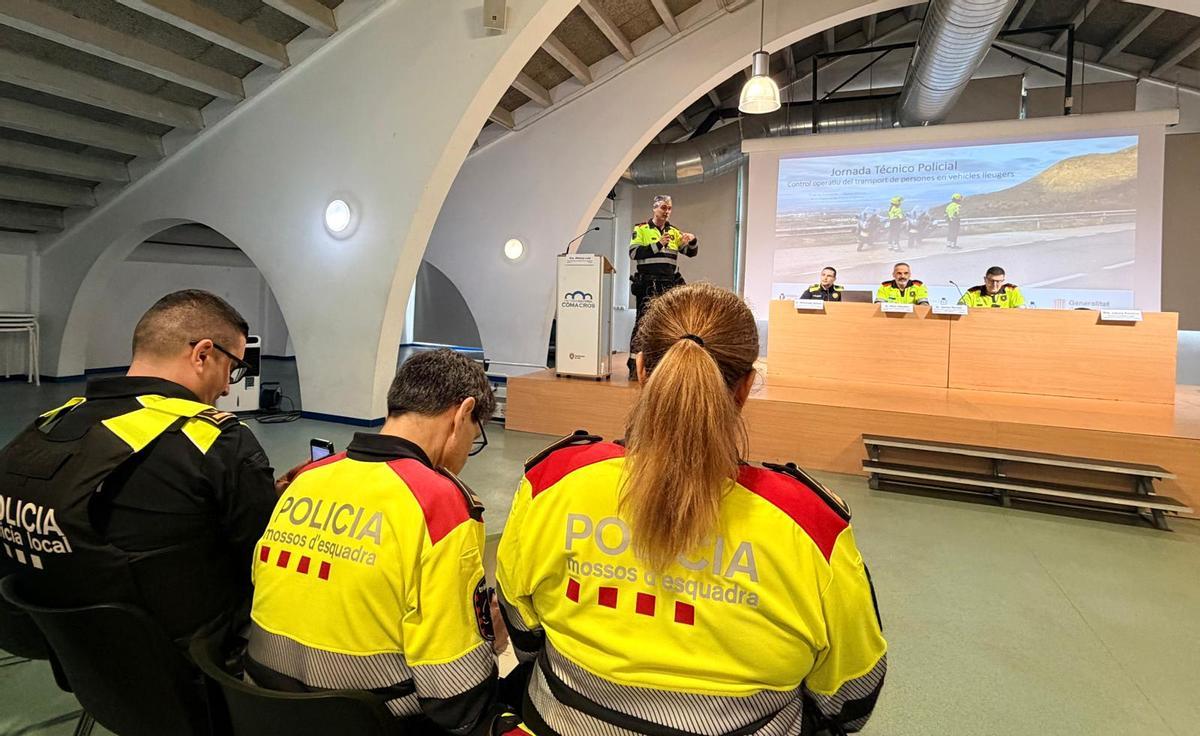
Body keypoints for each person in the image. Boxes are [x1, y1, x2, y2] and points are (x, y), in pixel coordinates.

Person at [495, 283, 887, 735]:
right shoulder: (810, 524)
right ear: (745, 387)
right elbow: (850, 697)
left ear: (641, 370)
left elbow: (522, 626)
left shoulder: (554, 480)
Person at [246, 349, 504, 735]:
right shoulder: (441, 505)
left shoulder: (305, 479)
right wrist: (489, 641)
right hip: (371, 720)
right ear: (462, 413)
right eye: (474, 433)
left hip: (262, 706)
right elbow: (456, 699)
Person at [0, 289, 277, 648]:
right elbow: (263, 561)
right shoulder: (217, 440)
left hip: (62, 644)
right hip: (178, 658)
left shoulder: (50, 424)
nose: (227, 387)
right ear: (203, 354)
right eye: (233, 368)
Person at [627, 194, 697, 379]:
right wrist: (658, 244)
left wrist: (692, 240)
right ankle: (635, 366)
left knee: (666, 325)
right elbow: (633, 253)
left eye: (669, 208)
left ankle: (660, 366)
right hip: (648, 284)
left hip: (668, 284)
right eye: (663, 208)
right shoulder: (641, 228)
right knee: (642, 323)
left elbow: (689, 253)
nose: (666, 212)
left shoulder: (674, 231)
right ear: (654, 208)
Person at [959, 266, 1025, 308]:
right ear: (985, 279)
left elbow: (1021, 312)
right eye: (991, 281)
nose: (994, 284)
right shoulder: (972, 293)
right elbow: (961, 309)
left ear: (1003, 281)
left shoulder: (1012, 291)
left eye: (998, 281)